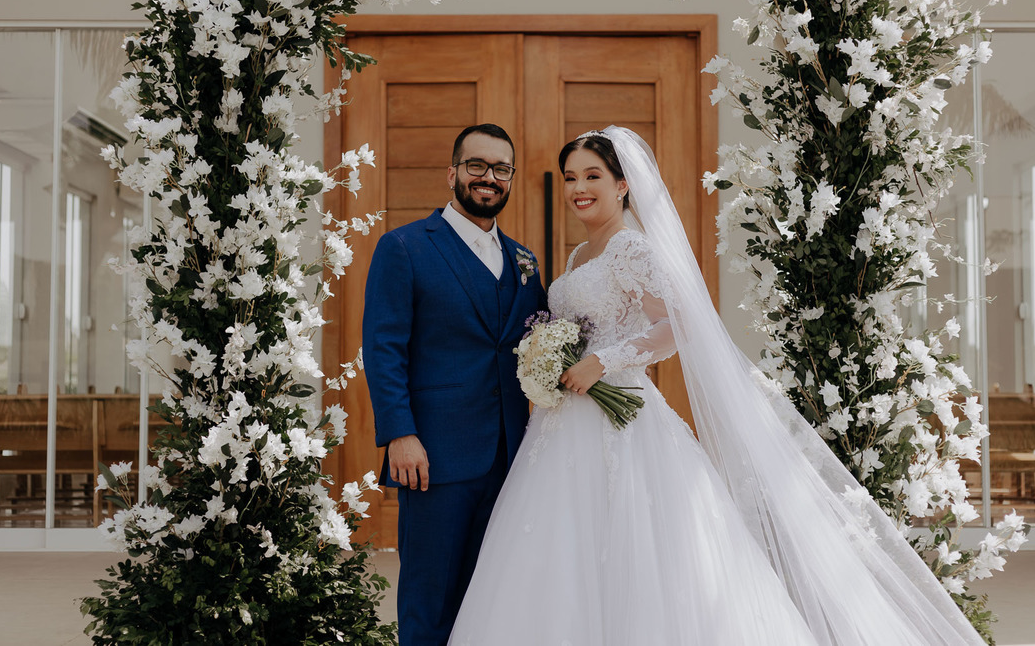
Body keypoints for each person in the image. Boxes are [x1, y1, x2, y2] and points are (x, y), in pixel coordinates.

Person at [447, 126, 985, 645]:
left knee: (636, 554)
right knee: (560, 554)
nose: (578, 189)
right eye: (569, 178)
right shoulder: (579, 256)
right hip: (564, 425)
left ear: (622, 184)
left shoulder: (631, 248)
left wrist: (603, 363)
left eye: (592, 176)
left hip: (621, 420)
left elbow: (678, 322)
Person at [363, 123, 547, 646]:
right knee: (430, 599)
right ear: (453, 173)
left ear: (511, 178)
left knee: (493, 598)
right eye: (477, 166)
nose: (489, 178)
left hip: (511, 457)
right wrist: (400, 433)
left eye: (501, 169)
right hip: (433, 458)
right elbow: (384, 348)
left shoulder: (524, 260)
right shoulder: (404, 248)